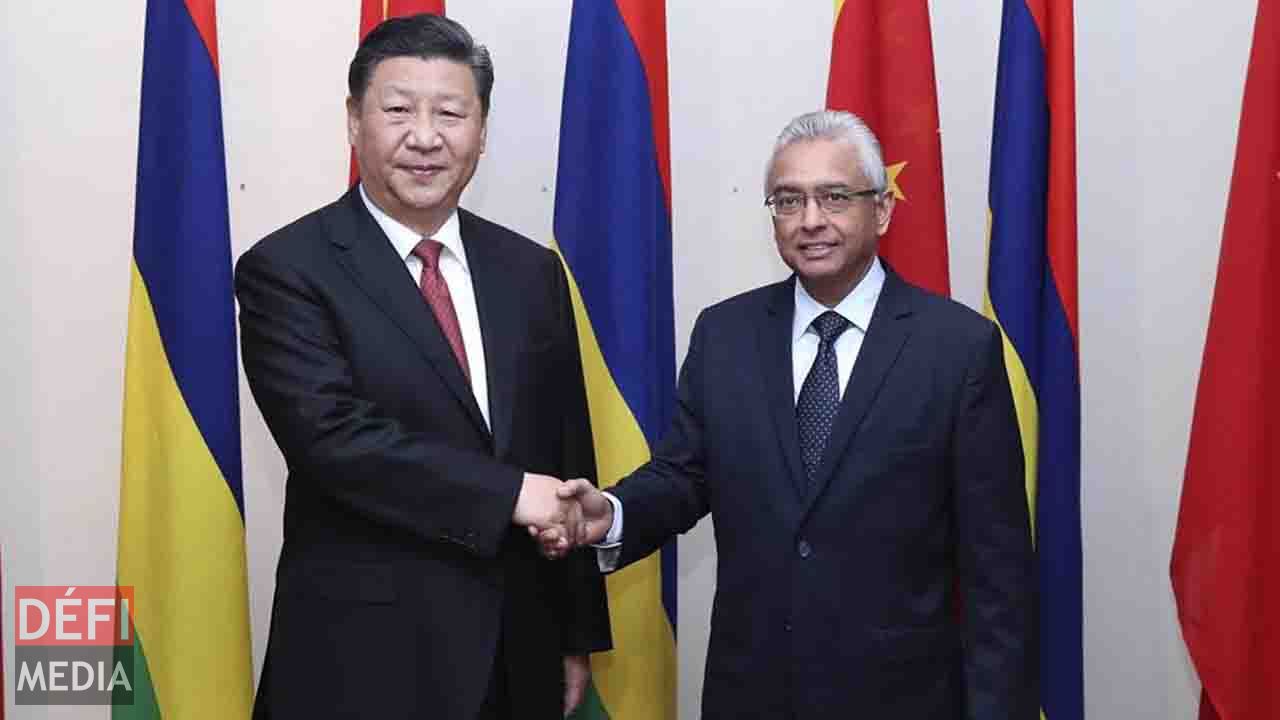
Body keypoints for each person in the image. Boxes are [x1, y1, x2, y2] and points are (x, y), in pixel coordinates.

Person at [548, 110, 1037, 718]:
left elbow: (998, 571)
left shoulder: (958, 348)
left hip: (903, 697)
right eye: (788, 200)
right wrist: (613, 513)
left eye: (835, 197)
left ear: (881, 209)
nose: (811, 221)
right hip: (752, 692)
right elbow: (684, 475)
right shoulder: (726, 333)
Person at [235, 14, 609, 719]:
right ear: (354, 121)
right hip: (363, 661)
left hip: (515, 652)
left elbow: (566, 450)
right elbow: (334, 442)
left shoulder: (531, 271)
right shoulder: (287, 269)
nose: (426, 137)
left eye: (451, 113)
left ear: (482, 130)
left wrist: (575, 632)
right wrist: (507, 494)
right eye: (399, 110)